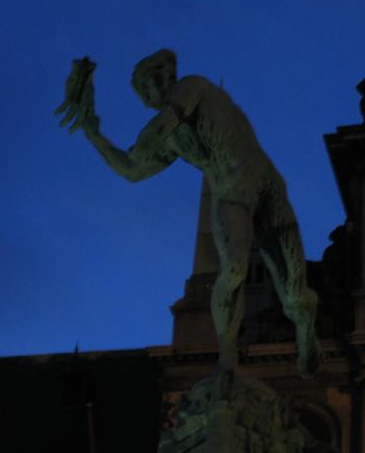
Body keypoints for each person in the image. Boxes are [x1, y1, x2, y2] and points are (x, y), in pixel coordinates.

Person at [55, 49, 323, 378]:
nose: (146, 100)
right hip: (231, 195)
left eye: (145, 90)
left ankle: (305, 326)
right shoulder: (174, 139)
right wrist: (93, 133)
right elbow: (132, 172)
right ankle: (228, 357)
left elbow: (159, 128)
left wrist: (133, 143)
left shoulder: (191, 87)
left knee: (294, 293)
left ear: (157, 81)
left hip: (266, 185)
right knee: (234, 270)